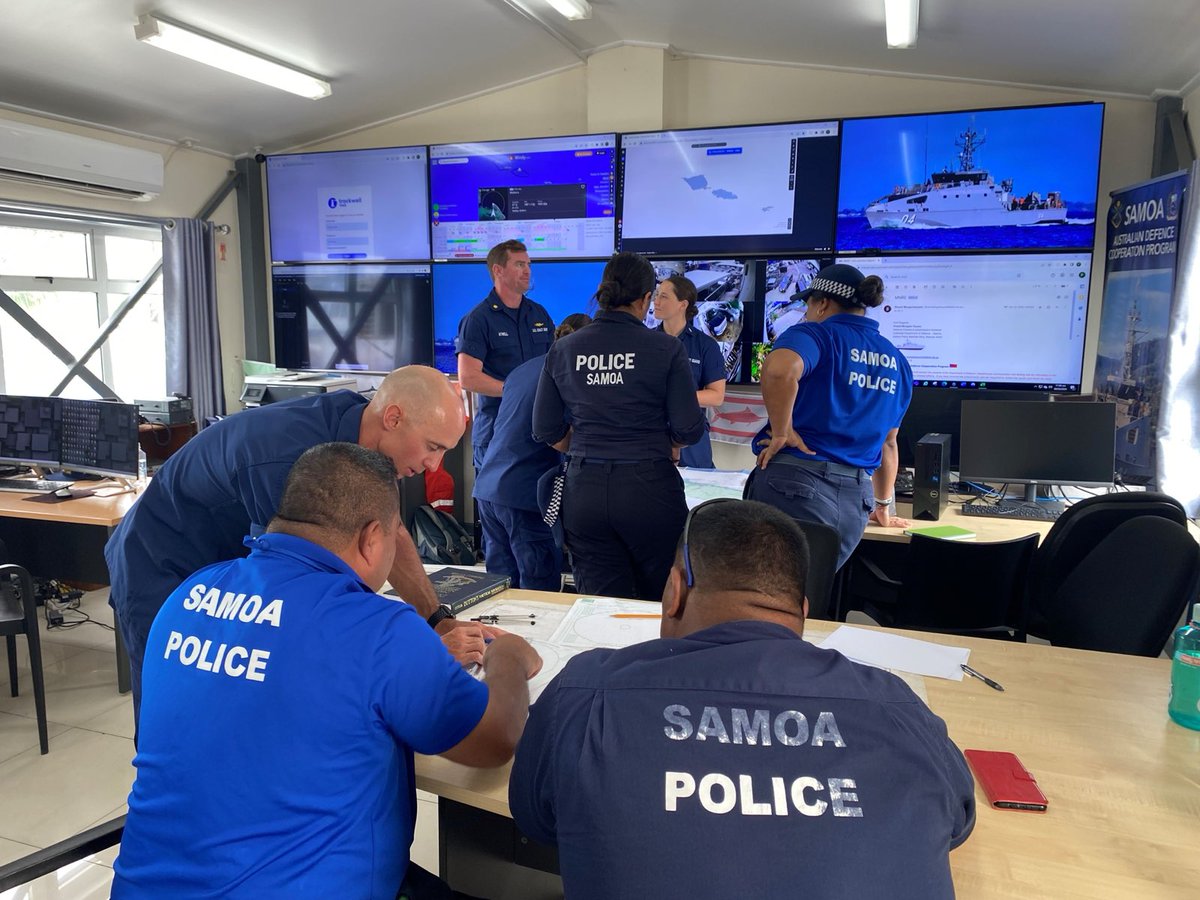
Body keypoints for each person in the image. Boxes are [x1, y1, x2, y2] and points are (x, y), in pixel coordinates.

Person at [112, 443, 541, 899]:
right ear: (372, 537)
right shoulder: (377, 628)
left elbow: (275, 686)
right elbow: (494, 739)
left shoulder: (191, 593)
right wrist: (508, 657)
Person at [509, 499, 975, 899]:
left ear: (674, 591)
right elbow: (954, 824)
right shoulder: (897, 708)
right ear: (802, 612)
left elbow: (537, 819)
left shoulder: (589, 692)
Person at [105, 365, 490, 726]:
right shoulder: (290, 462)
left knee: (247, 703)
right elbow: (296, 597)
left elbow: (391, 533)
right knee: (175, 707)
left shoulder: (365, 438)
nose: (435, 466)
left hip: (221, 555)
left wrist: (437, 621)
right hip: (159, 561)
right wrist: (421, 653)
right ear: (393, 418)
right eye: (433, 447)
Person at [533, 252, 704, 601]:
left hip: (584, 493)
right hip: (650, 490)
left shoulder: (564, 349)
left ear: (603, 292)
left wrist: (584, 446)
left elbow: (545, 428)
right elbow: (689, 429)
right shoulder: (667, 348)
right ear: (644, 299)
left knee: (600, 605)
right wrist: (662, 441)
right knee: (661, 602)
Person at [750, 263, 914, 568]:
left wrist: (782, 431)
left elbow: (778, 371)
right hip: (854, 501)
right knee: (808, 594)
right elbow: (889, 444)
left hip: (796, 486)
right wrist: (882, 506)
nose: (807, 312)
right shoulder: (897, 360)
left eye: (808, 304)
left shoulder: (816, 335)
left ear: (822, 303)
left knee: (765, 592)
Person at [473, 313, 591, 591]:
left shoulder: (523, 370)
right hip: (524, 495)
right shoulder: (568, 375)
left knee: (499, 587)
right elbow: (563, 435)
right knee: (538, 589)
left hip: (488, 489)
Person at [455, 240, 555, 471]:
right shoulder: (478, 319)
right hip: (496, 434)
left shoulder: (539, 314)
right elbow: (468, 377)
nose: (528, 271)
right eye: (519, 264)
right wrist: (516, 391)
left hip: (536, 431)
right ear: (497, 270)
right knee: (495, 504)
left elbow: (554, 365)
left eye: (529, 264)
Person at [651, 274, 725, 468]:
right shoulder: (646, 342)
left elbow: (716, 396)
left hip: (692, 439)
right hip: (651, 433)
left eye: (664, 297)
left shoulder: (705, 345)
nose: (656, 302)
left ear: (683, 304)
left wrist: (675, 397)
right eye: (656, 295)